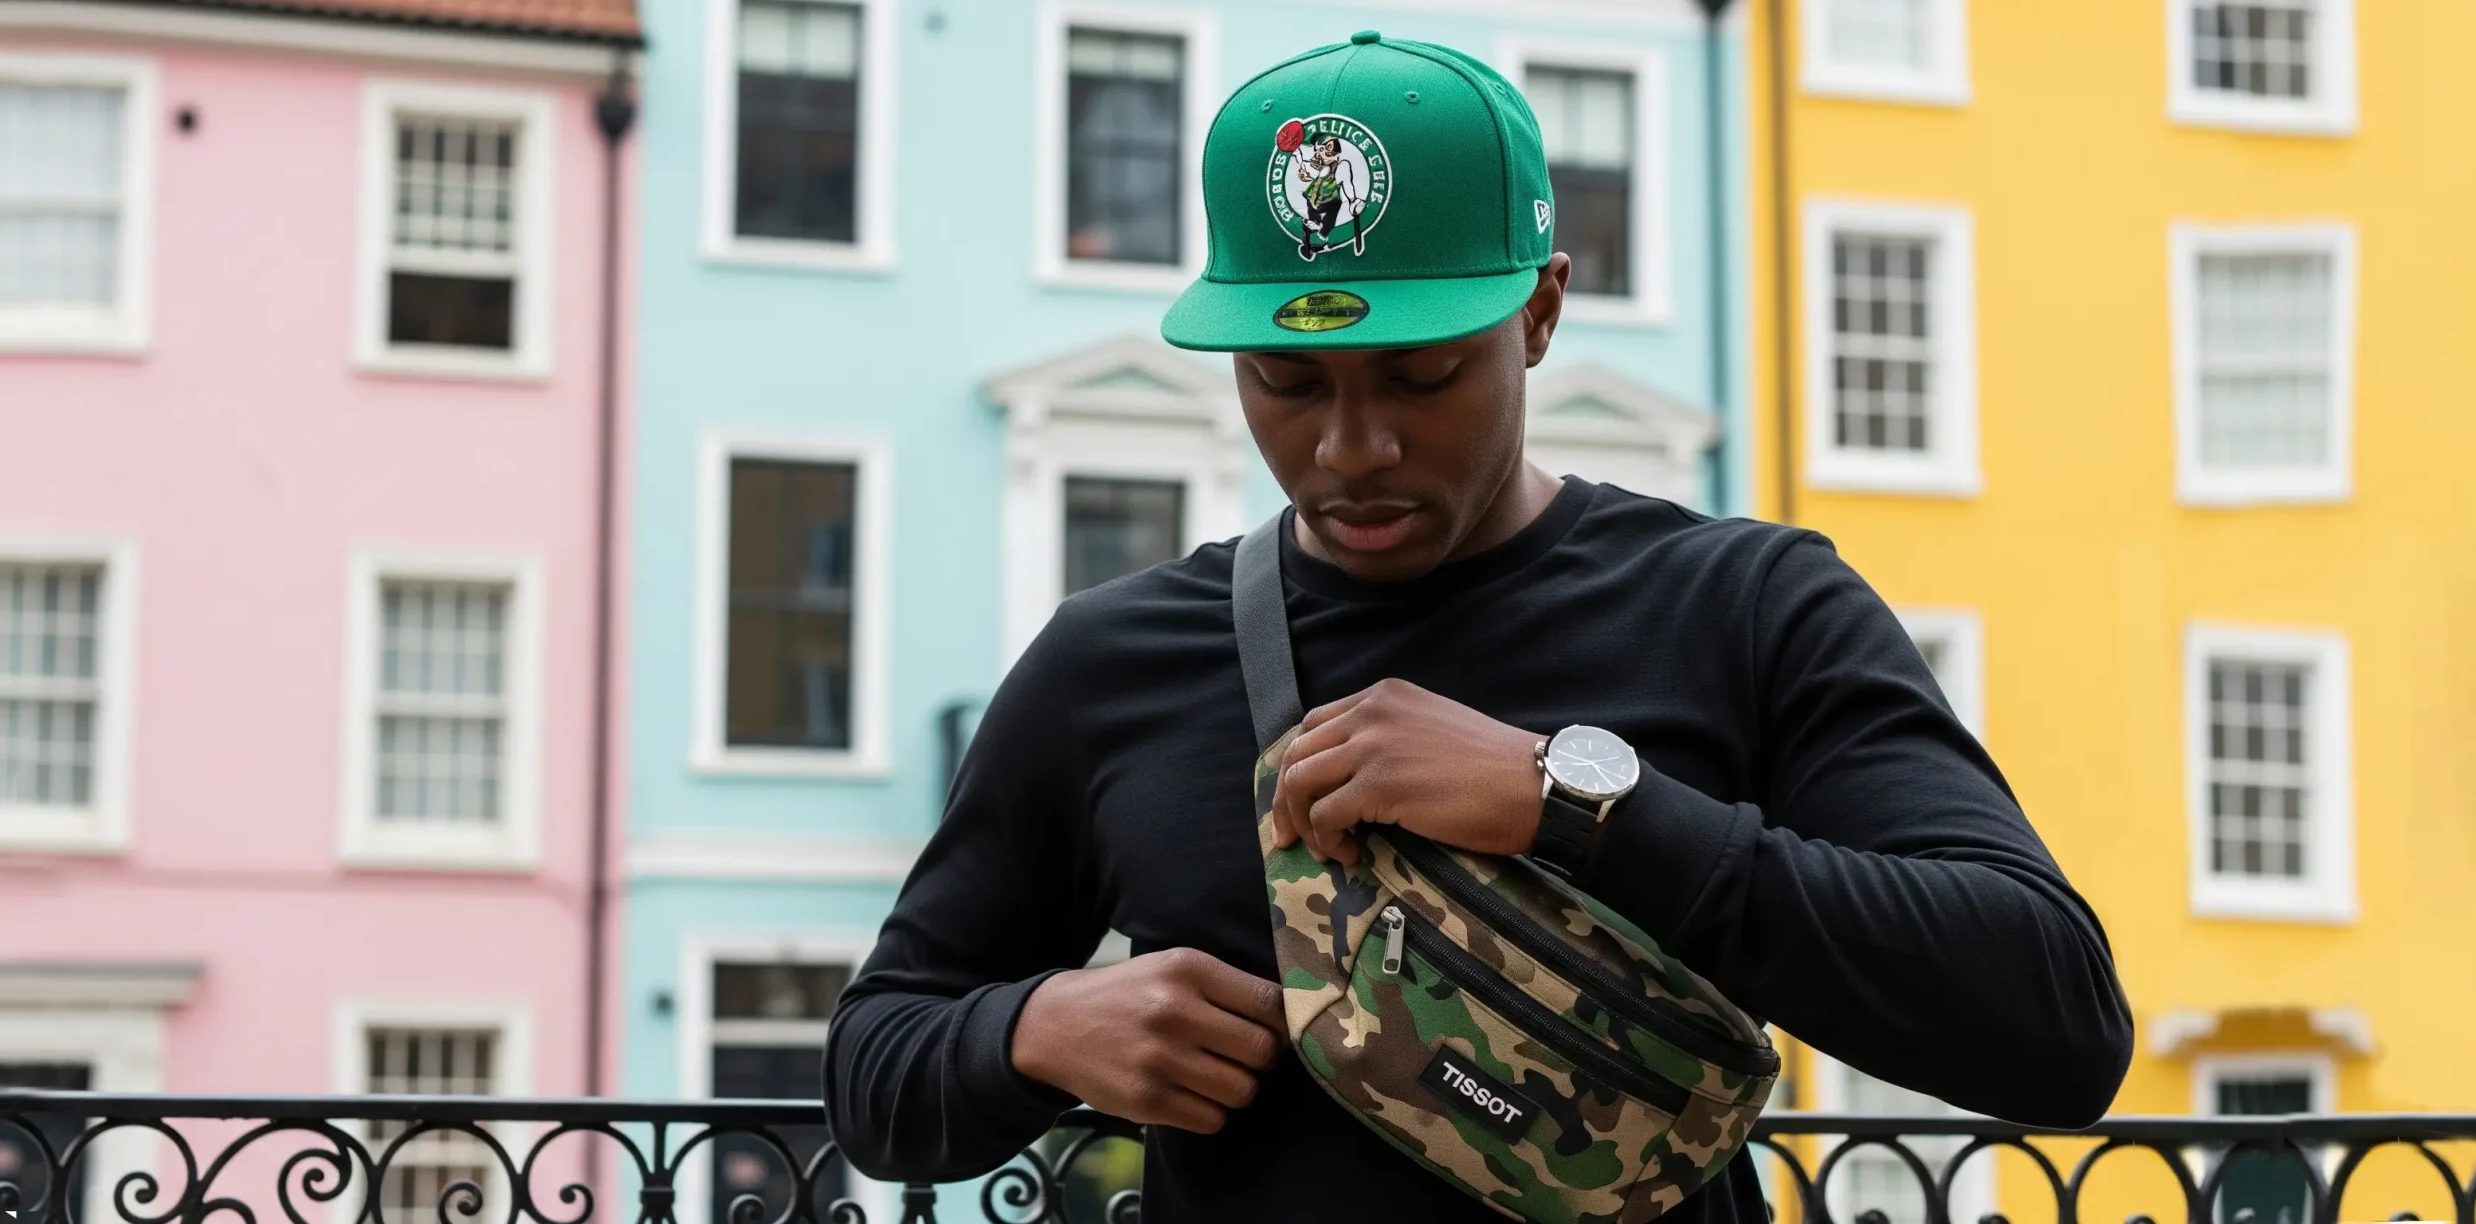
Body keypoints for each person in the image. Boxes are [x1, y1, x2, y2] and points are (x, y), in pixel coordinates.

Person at [826, 30, 2133, 1224]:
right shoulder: (1111, 662)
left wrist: (1568, 803)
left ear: (1543, 312)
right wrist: (1030, 1033)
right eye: (1286, 382)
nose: (1350, 446)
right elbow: (872, 1068)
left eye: (1424, 373)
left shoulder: (1745, 606)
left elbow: (2057, 1024)